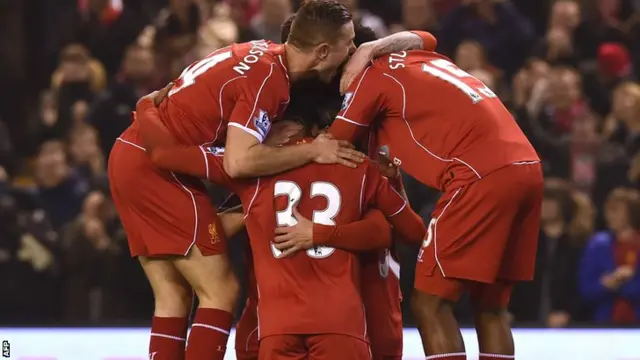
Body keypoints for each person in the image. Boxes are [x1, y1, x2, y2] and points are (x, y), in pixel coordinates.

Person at [109, 2, 362, 359]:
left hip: (130, 154)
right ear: (322, 51)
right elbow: (240, 161)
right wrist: (312, 151)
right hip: (157, 170)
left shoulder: (259, 51)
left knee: (174, 295)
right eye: (348, 43)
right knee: (222, 290)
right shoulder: (271, 80)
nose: (352, 51)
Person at [289, 47, 542, 359]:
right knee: (491, 306)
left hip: (478, 176)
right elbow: (425, 36)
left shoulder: (371, 78)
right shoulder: (421, 58)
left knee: (429, 303)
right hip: (527, 167)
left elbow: (333, 143)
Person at [136, 97, 426, 359]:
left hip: (275, 325)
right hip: (339, 321)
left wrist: (146, 108)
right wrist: (392, 183)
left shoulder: (249, 173)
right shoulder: (360, 168)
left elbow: (168, 154)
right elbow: (405, 233)